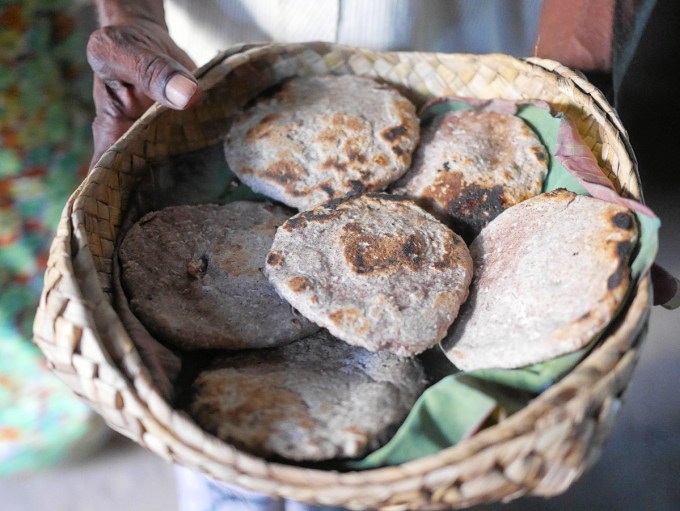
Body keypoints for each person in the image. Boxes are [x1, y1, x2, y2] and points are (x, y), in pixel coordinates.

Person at [83, 1, 677, 510]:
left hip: (472, 62)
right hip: (229, 80)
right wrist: (130, 14)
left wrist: (572, 78)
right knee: (226, 464)